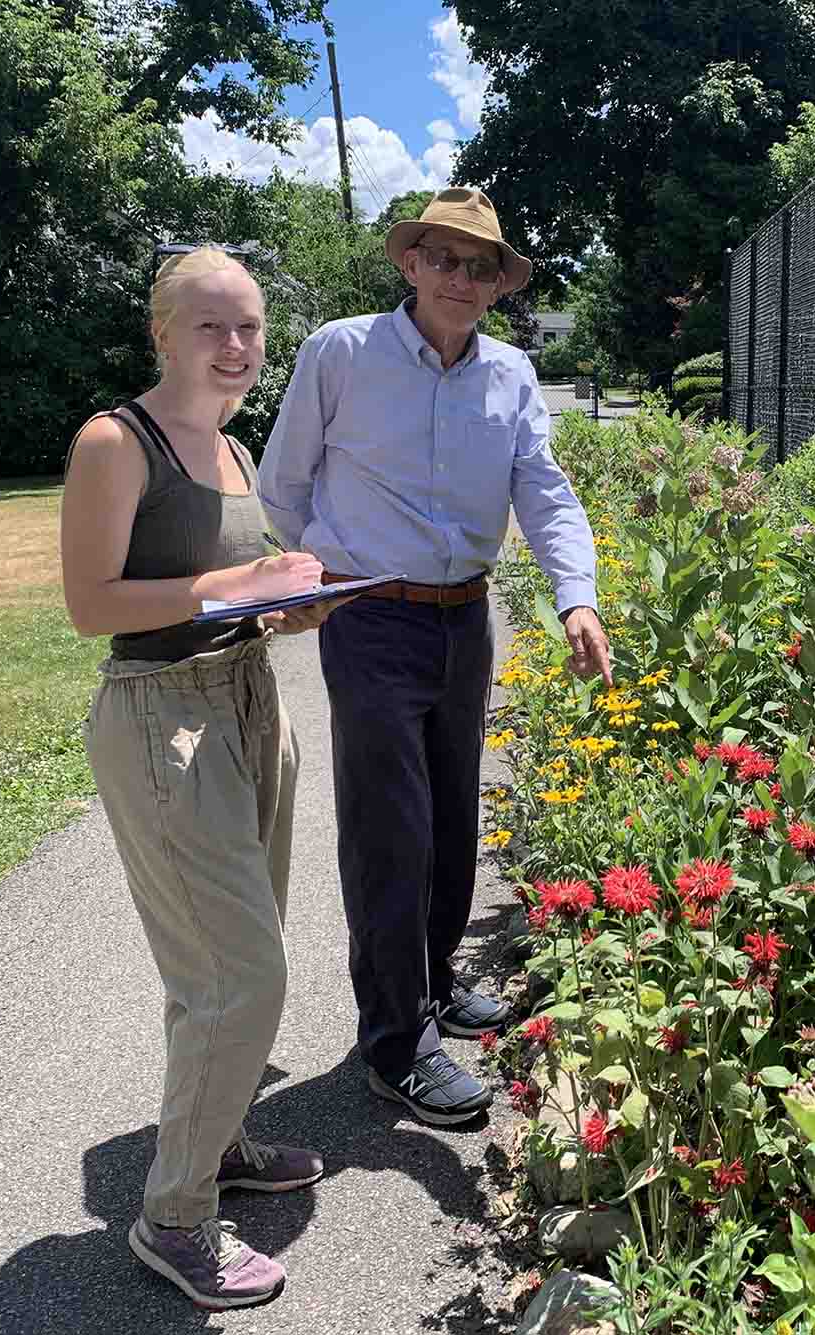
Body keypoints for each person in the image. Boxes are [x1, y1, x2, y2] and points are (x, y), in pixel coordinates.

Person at [258, 187, 612, 1127]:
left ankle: (438, 977)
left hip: (465, 621)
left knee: (454, 814)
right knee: (390, 829)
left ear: (499, 286)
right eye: (442, 257)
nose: (460, 276)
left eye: (480, 264)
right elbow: (282, 484)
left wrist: (577, 595)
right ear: (409, 263)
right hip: (370, 618)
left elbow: (546, 491)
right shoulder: (342, 352)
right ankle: (394, 1040)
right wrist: (335, 573)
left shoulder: (512, 376)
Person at [60, 246, 338, 1309]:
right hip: (161, 718)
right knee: (243, 976)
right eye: (212, 326)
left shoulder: (231, 448)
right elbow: (93, 607)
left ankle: (215, 1143)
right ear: (161, 333)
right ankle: (173, 1220)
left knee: (221, 967)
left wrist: (288, 604)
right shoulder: (112, 441)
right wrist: (240, 580)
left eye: (252, 328)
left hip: (248, 695)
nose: (236, 348)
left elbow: (226, 598)